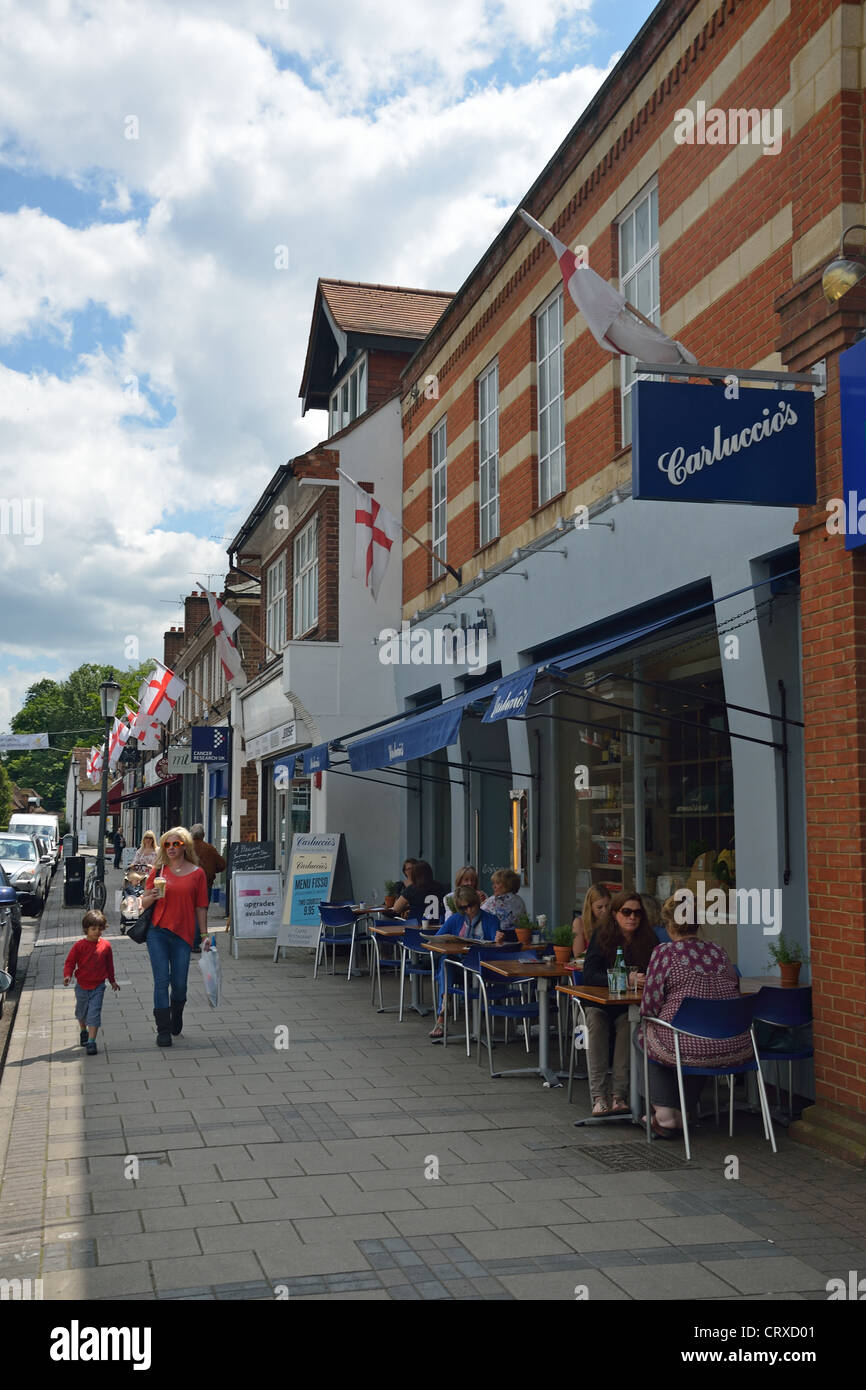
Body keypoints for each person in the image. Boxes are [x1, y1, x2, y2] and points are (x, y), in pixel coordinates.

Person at [636, 896, 751, 1138]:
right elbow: (734, 987)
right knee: (694, 1037)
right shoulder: (719, 951)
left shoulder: (664, 953)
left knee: (647, 1035)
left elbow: (649, 1005)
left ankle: (666, 1114)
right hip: (733, 1043)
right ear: (698, 924)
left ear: (668, 926)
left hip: (685, 1044)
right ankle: (683, 1111)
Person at [582, 891, 656, 1115]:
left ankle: (619, 1096)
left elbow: (659, 971)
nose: (632, 917)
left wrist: (646, 980)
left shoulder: (649, 939)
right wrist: (624, 979)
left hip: (629, 1006)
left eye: (637, 913)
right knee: (594, 1022)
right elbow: (589, 976)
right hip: (599, 1004)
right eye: (626, 912)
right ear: (615, 914)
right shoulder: (601, 936)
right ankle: (599, 1096)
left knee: (628, 1024)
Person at [140, 827, 210, 1047]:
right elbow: (143, 902)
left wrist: (205, 934)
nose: (170, 848)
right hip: (157, 931)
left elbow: (201, 907)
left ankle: (176, 1011)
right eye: (167, 844)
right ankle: (162, 1030)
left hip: (183, 934)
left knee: (179, 984)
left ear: (185, 846)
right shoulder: (159, 871)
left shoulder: (197, 873)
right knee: (161, 980)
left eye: (176, 844)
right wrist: (150, 896)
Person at [428, 886, 501, 1040]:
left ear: (477, 902)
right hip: (460, 968)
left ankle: (444, 1010)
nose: (468, 910)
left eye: (470, 906)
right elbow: (435, 939)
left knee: (446, 964)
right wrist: (448, 941)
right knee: (446, 962)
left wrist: (498, 940)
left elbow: (496, 945)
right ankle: (443, 1008)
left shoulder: (490, 919)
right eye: (463, 907)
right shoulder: (456, 918)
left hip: (482, 968)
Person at [63, 909, 119, 1056]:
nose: (97, 932)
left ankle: (92, 1042)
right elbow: (70, 962)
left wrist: (112, 981)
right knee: (81, 1012)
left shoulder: (106, 946)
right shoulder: (79, 946)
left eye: (100, 929)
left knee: (94, 1013)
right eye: (93, 929)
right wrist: (67, 975)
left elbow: (109, 965)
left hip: (98, 985)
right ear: (86, 929)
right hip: (82, 985)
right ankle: (83, 1031)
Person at [190, 824, 226, 951]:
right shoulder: (209, 849)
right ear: (203, 835)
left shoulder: (187, 849)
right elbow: (222, 864)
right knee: (201, 911)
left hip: (188, 885)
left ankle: (190, 942)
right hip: (206, 885)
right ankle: (196, 942)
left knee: (190, 912)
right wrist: (211, 870)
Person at [391, 860, 449, 926]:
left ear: (414, 874)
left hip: (415, 929)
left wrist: (409, 907)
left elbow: (396, 908)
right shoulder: (439, 887)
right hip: (436, 929)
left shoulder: (412, 889)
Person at [480, 869, 525, 940]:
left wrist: (480, 902)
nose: (493, 886)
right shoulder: (519, 900)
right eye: (493, 883)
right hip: (517, 937)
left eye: (497, 883)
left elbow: (479, 914)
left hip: (497, 937)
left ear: (508, 884)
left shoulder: (495, 899)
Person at [572, 883, 611, 957]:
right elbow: (578, 955)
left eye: (607, 906)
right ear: (590, 907)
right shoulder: (579, 923)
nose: (605, 910)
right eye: (599, 907)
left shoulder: (614, 921)